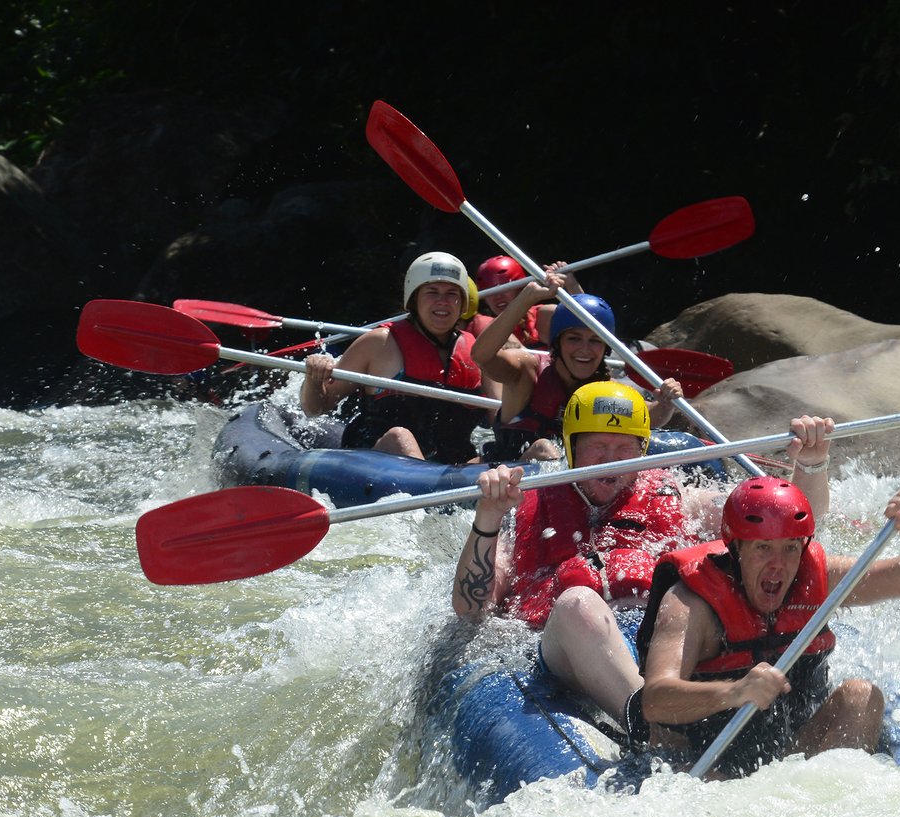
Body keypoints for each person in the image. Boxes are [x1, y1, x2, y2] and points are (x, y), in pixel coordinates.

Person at [452, 381, 835, 737]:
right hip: (571, 645)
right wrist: (488, 517)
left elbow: (781, 527)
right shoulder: (527, 510)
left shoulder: (678, 498)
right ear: (570, 447)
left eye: (624, 449)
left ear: (642, 449)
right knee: (577, 603)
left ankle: (667, 710)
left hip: (661, 640)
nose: (612, 461)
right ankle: (650, 725)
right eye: (597, 448)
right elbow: (471, 607)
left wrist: (812, 464)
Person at [636, 475, 900, 778]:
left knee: (860, 696)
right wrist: (733, 691)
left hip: (793, 757)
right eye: (763, 548)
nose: (779, 564)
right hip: (704, 764)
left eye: (790, 547)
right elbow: (655, 701)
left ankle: (830, 803)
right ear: (736, 548)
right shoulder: (691, 604)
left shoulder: (819, 578)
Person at [300, 252, 501, 463]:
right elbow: (315, 408)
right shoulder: (379, 343)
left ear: (462, 303)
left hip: (450, 466)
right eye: (432, 292)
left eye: (452, 294)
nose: (443, 301)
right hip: (376, 460)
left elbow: (501, 422)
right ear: (414, 299)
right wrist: (314, 379)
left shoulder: (479, 353)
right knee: (400, 437)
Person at [472, 276, 682, 460]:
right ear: (557, 343)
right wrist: (525, 299)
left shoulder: (604, 387)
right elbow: (481, 355)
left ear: (605, 348)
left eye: (595, 341)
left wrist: (665, 402)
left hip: (571, 487)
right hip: (508, 475)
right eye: (574, 338)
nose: (585, 350)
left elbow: (650, 418)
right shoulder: (527, 371)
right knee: (543, 449)